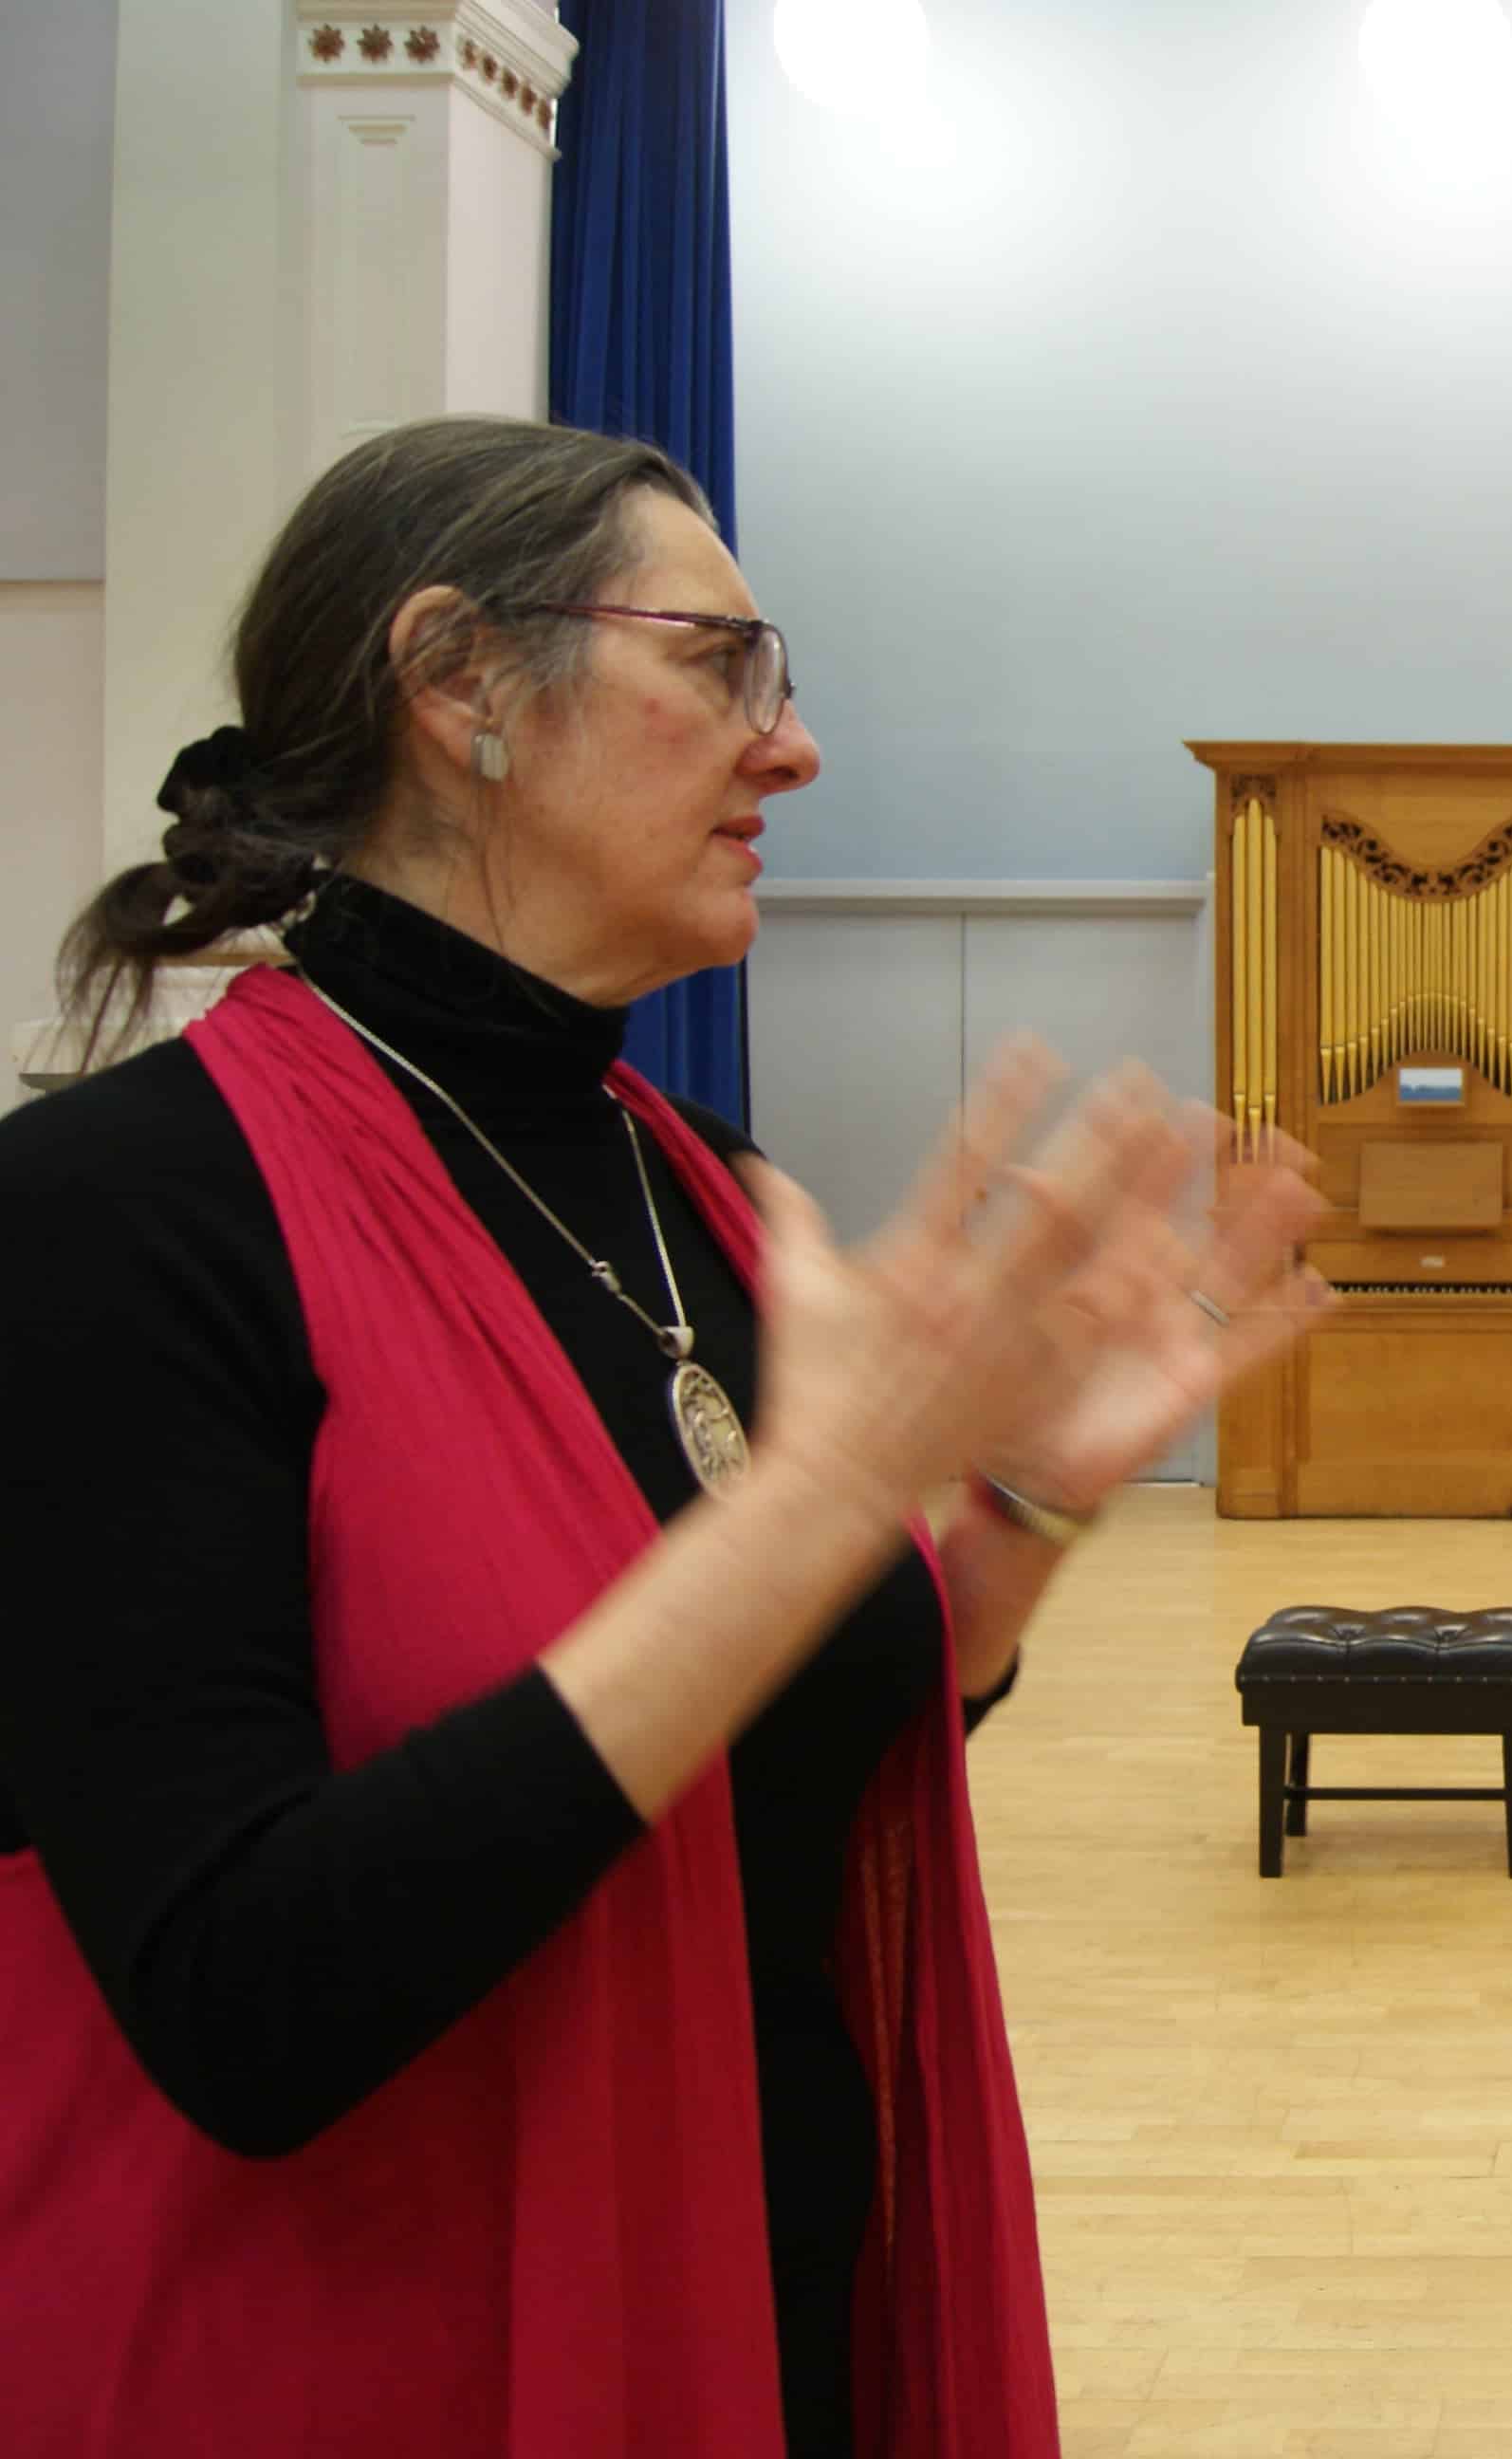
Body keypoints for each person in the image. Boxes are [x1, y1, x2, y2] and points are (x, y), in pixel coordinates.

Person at [0, 416, 1325, 2458]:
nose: (790, 748)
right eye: (723, 663)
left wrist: (1023, 1512)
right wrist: (805, 1507)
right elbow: (239, 2000)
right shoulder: (116, 1217)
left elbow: (794, 1743)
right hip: (374, 2364)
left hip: (771, 2305)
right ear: (462, 688)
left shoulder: (707, 1185)